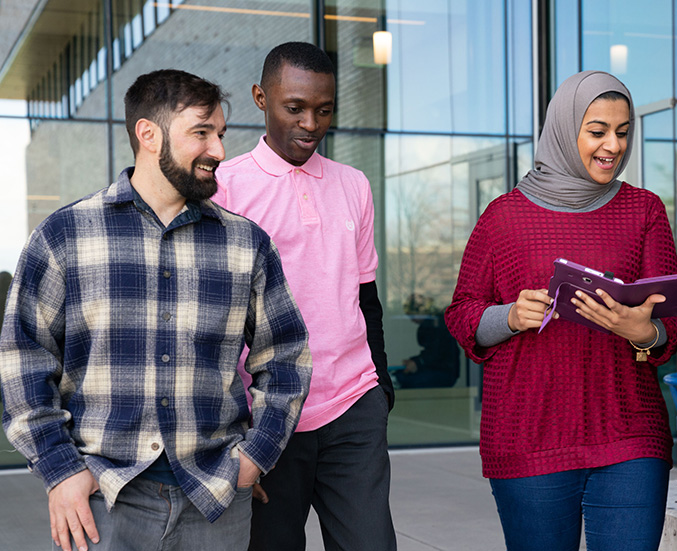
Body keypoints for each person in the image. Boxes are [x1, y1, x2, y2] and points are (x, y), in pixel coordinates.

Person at [0, 69, 312, 551]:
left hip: (217, 499)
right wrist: (60, 470)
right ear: (148, 134)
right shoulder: (65, 236)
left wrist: (254, 458)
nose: (219, 151)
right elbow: (23, 360)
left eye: (222, 134)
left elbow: (286, 358)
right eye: (202, 133)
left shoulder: (246, 243)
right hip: (105, 499)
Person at [445, 71, 677, 551]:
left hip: (629, 432)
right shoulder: (504, 217)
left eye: (623, 131)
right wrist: (510, 317)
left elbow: (669, 324)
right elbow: (462, 313)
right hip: (528, 435)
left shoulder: (644, 210)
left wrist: (643, 331)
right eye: (597, 131)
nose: (612, 145)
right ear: (564, 127)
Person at [211, 42, 396, 551]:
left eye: (324, 109)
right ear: (260, 98)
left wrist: (381, 386)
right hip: (266, 413)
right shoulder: (225, 187)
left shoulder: (354, 185)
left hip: (353, 404)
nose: (311, 123)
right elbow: (212, 319)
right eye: (295, 108)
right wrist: (233, 428)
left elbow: (365, 295)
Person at [394, 294, 460, 389]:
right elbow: (431, 352)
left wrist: (417, 362)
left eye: (412, 316)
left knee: (405, 380)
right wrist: (416, 361)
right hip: (441, 370)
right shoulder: (431, 324)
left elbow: (436, 353)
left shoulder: (436, 324)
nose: (412, 320)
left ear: (420, 310)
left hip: (444, 372)